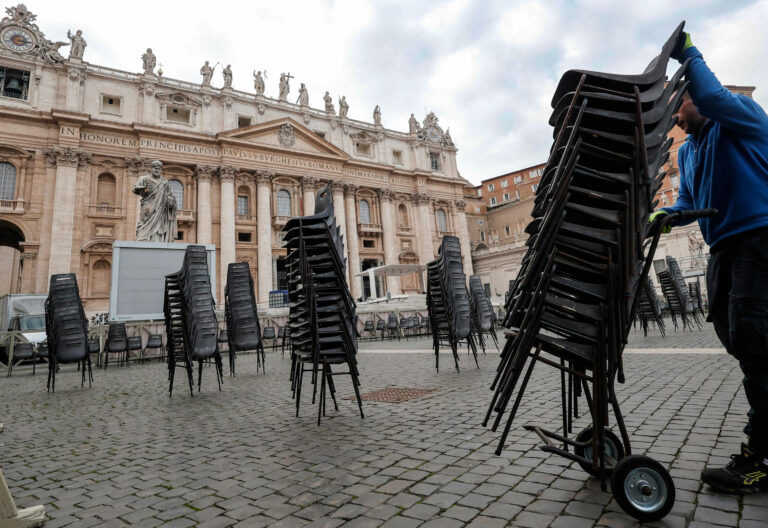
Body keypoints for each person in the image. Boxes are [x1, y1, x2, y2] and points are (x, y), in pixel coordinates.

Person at [652, 30, 768, 494]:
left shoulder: (741, 117)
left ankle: (761, 459)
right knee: (738, 340)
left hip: (758, 241)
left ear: (694, 97)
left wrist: (688, 54)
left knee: (756, 342)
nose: (675, 118)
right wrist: (666, 215)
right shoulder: (690, 151)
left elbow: (714, 96)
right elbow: (689, 202)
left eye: (678, 106)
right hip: (723, 250)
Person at [133, 160, 177, 242]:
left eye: (159, 169)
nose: (157, 170)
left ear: (161, 170)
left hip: (161, 208)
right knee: (144, 222)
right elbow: (135, 189)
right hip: (148, 205)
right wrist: (143, 190)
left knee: (158, 226)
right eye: (155, 168)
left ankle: (157, 240)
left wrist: (171, 201)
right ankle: (142, 238)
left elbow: (169, 195)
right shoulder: (144, 178)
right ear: (151, 169)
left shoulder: (164, 182)